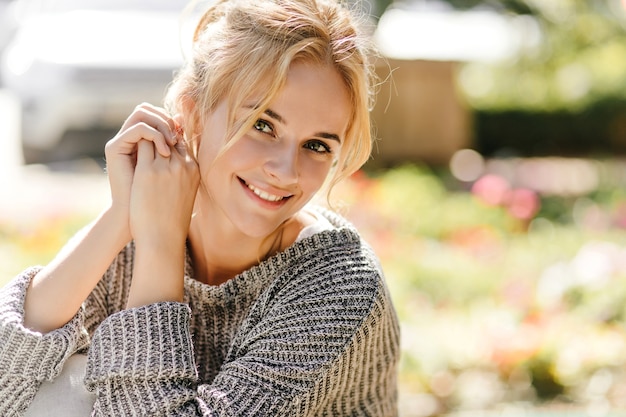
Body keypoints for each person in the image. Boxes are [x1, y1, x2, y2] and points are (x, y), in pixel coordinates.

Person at [0, 0, 400, 415]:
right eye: (262, 124)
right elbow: (7, 384)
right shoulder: (140, 232)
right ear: (193, 113)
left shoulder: (340, 286)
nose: (285, 171)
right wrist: (123, 215)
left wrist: (160, 243)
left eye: (316, 146)